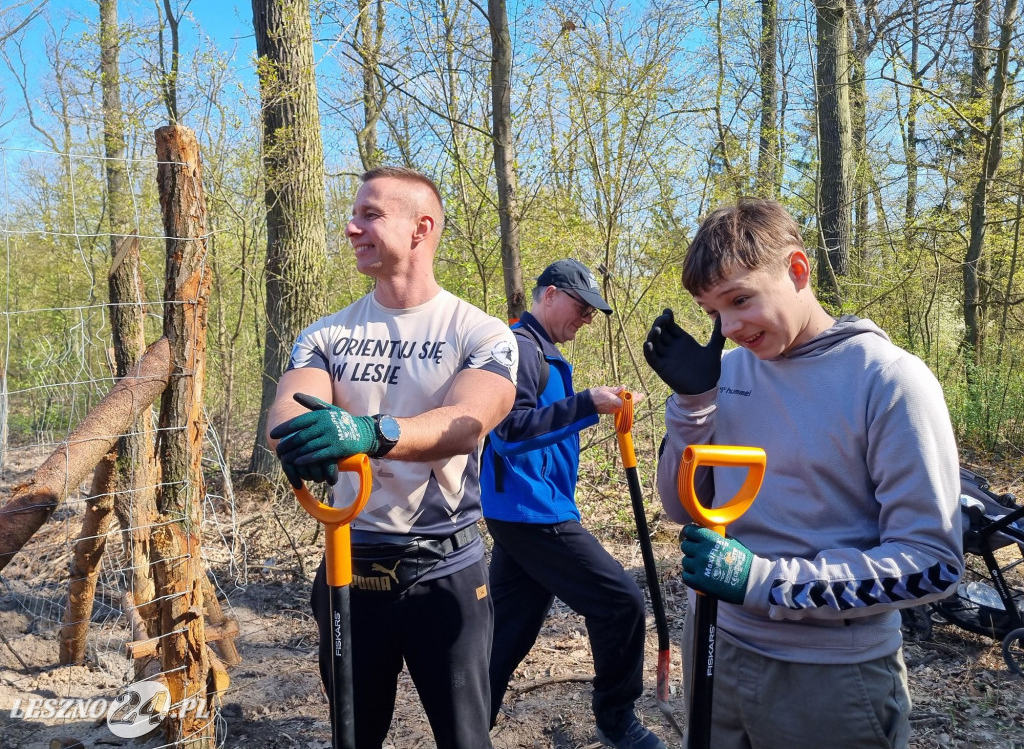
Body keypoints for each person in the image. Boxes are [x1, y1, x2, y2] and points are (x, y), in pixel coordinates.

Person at [643, 199, 964, 749]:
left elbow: (933, 564)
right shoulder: (728, 371)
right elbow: (679, 508)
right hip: (717, 646)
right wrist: (693, 403)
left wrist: (763, 582)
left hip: (829, 674)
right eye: (713, 311)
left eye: (741, 299)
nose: (730, 326)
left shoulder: (888, 381)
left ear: (797, 270)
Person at [267, 166, 518, 749]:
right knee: (352, 738)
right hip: (346, 565)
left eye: (371, 215)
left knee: (465, 738)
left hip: (446, 570)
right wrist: (297, 438)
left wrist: (369, 431)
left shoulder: (480, 333)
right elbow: (286, 410)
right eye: (354, 215)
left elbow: (468, 420)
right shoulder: (325, 334)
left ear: (420, 228)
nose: (351, 227)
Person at [481, 258, 667, 749]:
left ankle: (469, 726)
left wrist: (593, 404)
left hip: (528, 508)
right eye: (582, 307)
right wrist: (588, 403)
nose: (586, 319)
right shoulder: (519, 349)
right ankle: (617, 721)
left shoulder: (542, 351)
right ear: (548, 295)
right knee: (621, 603)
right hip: (531, 512)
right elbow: (508, 432)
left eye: (592, 312)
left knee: (508, 634)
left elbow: (538, 425)